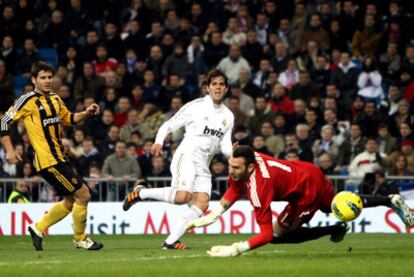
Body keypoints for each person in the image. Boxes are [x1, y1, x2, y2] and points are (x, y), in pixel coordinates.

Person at [186, 146, 414, 257]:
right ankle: (388, 200)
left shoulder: (259, 186)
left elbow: (265, 235)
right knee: (337, 204)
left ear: (250, 167)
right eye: (230, 166)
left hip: (305, 194)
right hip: (307, 171)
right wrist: (212, 216)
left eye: (235, 168)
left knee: (276, 236)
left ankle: (333, 229)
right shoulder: (245, 159)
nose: (231, 171)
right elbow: (235, 188)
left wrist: (234, 250)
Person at [123, 69, 234, 249]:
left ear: (226, 89)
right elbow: (168, 124)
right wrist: (158, 141)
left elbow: (225, 145)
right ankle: (142, 192)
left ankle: (170, 241)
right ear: (208, 88)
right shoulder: (196, 106)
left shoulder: (228, 116)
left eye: (222, 84)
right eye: (214, 84)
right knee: (183, 197)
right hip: (187, 155)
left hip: (204, 165)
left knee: (202, 204)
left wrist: (232, 154)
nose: (218, 87)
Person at [0, 61, 102, 251]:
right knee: (84, 194)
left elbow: (69, 119)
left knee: (71, 201)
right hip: (47, 160)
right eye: (42, 78)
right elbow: (4, 122)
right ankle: (80, 238)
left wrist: (86, 113)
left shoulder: (55, 98)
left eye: (49, 77)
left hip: (60, 158)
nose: (47, 81)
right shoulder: (26, 101)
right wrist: (10, 150)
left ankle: (37, 228)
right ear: (33, 79)